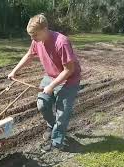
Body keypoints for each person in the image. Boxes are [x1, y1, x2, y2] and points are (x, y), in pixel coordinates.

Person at [7, 13, 81, 152]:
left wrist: (52, 86)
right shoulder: (37, 40)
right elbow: (29, 55)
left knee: (62, 112)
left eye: (34, 34)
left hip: (69, 79)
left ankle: (57, 142)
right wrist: (14, 71)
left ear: (45, 29)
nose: (32, 38)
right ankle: (51, 125)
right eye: (31, 35)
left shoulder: (61, 42)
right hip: (51, 75)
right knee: (42, 104)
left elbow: (69, 70)